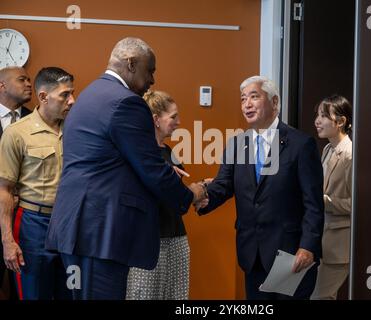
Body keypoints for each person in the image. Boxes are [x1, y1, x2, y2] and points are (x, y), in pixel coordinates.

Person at [45, 37, 206, 300]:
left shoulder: (88, 96)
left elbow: (107, 162)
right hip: (100, 234)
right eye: (150, 70)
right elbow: (152, 168)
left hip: (76, 230)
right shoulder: (126, 103)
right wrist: (192, 194)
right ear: (131, 63)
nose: (153, 80)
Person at [196, 75, 324, 300]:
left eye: (254, 97)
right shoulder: (237, 144)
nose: (246, 103)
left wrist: (308, 246)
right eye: (243, 98)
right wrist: (201, 196)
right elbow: (223, 186)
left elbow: (313, 203)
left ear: (274, 102)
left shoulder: (301, 145)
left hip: (290, 254)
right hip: (252, 254)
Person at [0, 67, 75, 300]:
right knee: (33, 295)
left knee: (70, 294)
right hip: (33, 225)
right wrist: (7, 241)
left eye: (72, 93)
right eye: (65, 95)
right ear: (43, 97)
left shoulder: (78, 130)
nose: (72, 100)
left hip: (70, 225)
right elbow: (4, 189)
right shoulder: (16, 133)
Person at [127, 90, 191, 300]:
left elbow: (176, 194)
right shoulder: (138, 153)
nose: (178, 122)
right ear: (155, 119)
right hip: (147, 239)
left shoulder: (169, 151)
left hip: (176, 237)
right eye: (173, 117)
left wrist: (199, 189)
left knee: (178, 297)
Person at [311, 95, 352, 300]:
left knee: (318, 297)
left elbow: (357, 204)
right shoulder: (328, 148)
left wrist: (326, 201)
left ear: (341, 121)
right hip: (323, 240)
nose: (317, 121)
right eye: (317, 115)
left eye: (324, 115)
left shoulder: (351, 154)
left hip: (339, 245)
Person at [0, 66, 32, 300]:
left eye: (30, 79)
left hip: (26, 220)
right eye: (22, 79)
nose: (29, 83)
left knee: (25, 289)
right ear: (2, 86)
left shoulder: (37, 121)